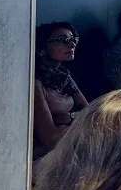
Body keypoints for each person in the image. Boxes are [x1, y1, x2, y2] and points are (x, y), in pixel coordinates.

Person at [33, 22, 88, 159]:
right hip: (43, 157)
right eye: (63, 40)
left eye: (73, 39)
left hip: (67, 148)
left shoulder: (64, 76)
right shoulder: (35, 83)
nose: (72, 44)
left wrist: (71, 117)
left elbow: (91, 113)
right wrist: (80, 123)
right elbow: (51, 140)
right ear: (42, 49)